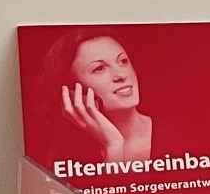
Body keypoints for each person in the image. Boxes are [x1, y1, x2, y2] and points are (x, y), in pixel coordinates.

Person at [40, 29, 153, 162]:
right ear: (72, 92)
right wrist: (114, 146)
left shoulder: (174, 133)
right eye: (99, 68)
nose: (121, 75)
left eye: (122, 61)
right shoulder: (67, 158)